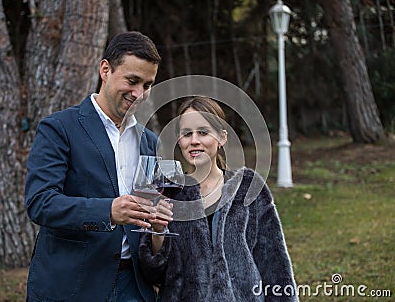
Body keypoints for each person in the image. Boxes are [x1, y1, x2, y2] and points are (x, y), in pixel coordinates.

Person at [25, 31, 171, 302]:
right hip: (73, 285)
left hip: (134, 287)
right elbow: (40, 203)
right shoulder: (59, 128)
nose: (139, 94)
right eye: (132, 80)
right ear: (105, 69)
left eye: (148, 85)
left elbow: (150, 209)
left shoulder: (149, 141)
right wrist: (108, 211)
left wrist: (158, 217)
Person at [139, 96, 298, 301]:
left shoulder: (248, 187)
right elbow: (153, 274)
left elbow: (275, 266)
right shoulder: (170, 194)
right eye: (187, 134)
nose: (194, 140)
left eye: (203, 132)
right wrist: (158, 232)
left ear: (222, 137)